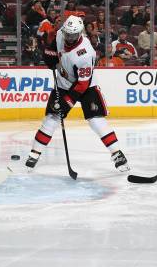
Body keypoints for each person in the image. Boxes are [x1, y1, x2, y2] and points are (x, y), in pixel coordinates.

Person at [25, 16, 130, 172]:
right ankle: (34, 154)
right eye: (68, 34)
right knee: (52, 117)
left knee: (95, 120)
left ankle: (117, 153)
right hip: (63, 83)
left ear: (80, 33)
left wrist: (67, 101)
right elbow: (54, 47)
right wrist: (50, 55)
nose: (69, 37)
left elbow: (82, 84)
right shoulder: (62, 33)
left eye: (73, 35)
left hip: (87, 86)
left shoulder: (86, 54)